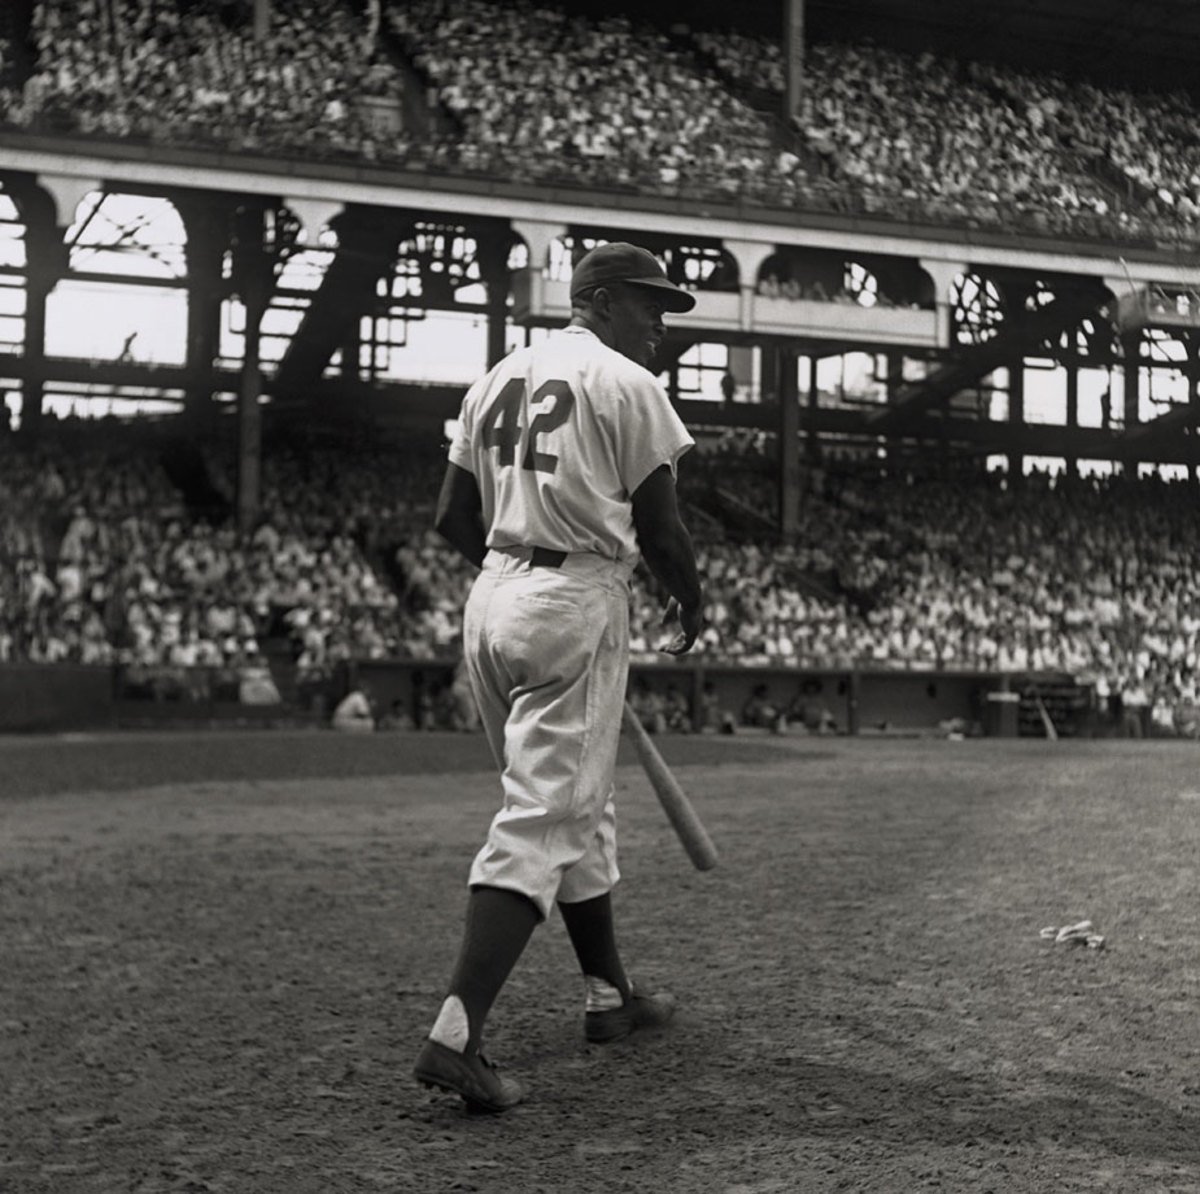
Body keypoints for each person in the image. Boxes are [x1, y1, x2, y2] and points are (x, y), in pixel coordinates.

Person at [412, 242, 704, 1114]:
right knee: (547, 816)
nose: (660, 324)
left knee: (582, 804)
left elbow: (449, 517)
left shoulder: (496, 375)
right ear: (601, 301)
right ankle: (454, 1036)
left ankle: (609, 996)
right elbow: (661, 525)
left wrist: (517, 582)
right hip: (574, 595)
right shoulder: (626, 382)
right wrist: (689, 603)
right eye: (649, 305)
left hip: (492, 596)